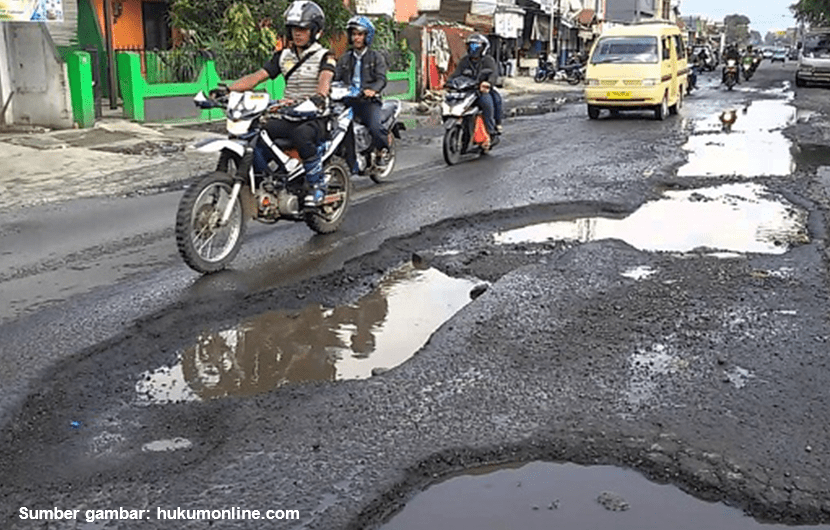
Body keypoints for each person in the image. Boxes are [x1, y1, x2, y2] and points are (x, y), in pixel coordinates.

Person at [227, 0, 335, 207]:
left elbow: (325, 78)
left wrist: (319, 96)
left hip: (315, 116)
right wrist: (229, 89)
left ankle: (317, 184)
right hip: (287, 114)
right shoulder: (283, 56)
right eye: (294, 28)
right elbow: (257, 77)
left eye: (303, 29)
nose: (297, 33)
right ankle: (265, 180)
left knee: (301, 135)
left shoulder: (325, 55)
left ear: (315, 31)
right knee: (254, 132)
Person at [333, 16, 390, 170]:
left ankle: (381, 151)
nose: (357, 38)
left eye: (360, 34)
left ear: (367, 36)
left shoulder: (376, 57)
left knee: (375, 127)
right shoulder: (345, 59)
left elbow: (381, 79)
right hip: (347, 100)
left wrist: (372, 90)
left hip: (367, 101)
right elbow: (335, 78)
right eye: (354, 34)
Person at [448, 33, 504, 144]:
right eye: (471, 45)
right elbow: (456, 74)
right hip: (465, 91)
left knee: (487, 102)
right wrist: (449, 82)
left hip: (481, 91)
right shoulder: (464, 61)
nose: (473, 48)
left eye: (476, 46)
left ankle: (491, 131)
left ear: (483, 47)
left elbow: (493, 74)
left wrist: (487, 83)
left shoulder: (488, 60)